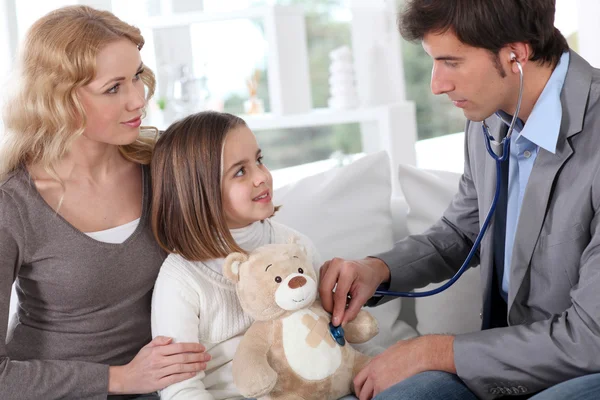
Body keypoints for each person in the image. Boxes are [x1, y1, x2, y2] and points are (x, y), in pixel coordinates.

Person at [319, 1, 600, 399]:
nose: (437, 85)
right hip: (501, 364)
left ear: (515, 55)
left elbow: (590, 339)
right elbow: (464, 229)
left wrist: (434, 351)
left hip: (583, 368)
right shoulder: (491, 114)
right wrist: (377, 269)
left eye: (451, 62)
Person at [0, 6, 208, 400]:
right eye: (113, 88)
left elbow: (244, 243)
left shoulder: (162, 162)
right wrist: (121, 379)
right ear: (57, 100)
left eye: (137, 78)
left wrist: (357, 269)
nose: (137, 101)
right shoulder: (12, 204)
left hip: (177, 388)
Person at [149, 111, 322, 399]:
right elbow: (180, 388)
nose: (261, 177)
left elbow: (338, 329)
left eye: (259, 160)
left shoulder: (294, 245)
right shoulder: (181, 278)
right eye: (240, 171)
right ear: (199, 192)